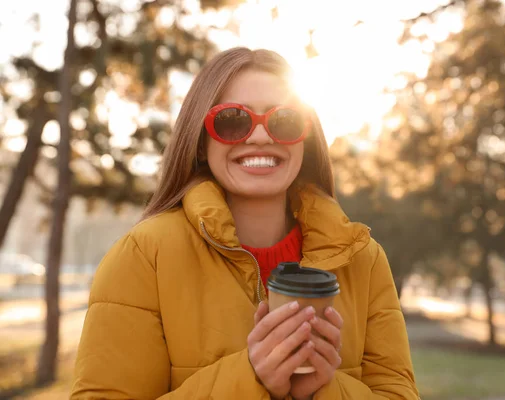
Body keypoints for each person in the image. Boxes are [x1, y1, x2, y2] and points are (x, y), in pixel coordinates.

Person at [71, 47, 420, 400]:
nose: (259, 137)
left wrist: (321, 389)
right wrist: (251, 378)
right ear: (201, 141)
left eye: (284, 120)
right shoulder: (145, 257)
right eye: (232, 121)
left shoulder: (364, 260)